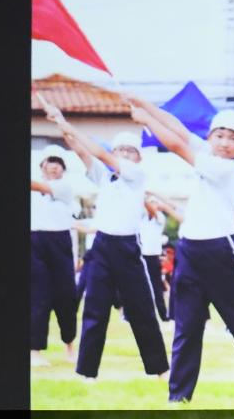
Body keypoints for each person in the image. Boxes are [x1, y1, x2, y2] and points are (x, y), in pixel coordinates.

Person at [128, 102, 234, 408]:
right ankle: (178, 396)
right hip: (189, 250)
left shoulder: (229, 166)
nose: (224, 142)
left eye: (233, 138)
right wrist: (146, 106)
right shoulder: (208, 152)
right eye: (219, 135)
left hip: (219, 250)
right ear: (210, 137)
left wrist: (147, 121)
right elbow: (178, 128)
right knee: (187, 326)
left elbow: (177, 144)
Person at [42, 105, 170, 384]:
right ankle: (87, 372)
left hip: (127, 249)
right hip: (101, 247)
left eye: (129, 151)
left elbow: (99, 153)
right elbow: (81, 150)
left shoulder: (137, 176)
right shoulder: (104, 175)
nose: (124, 154)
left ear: (138, 157)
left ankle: (160, 369)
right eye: (120, 150)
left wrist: (68, 123)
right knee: (94, 311)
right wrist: (61, 123)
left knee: (142, 310)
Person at [30, 136, 86, 365]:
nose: (53, 165)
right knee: (38, 297)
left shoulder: (65, 187)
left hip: (60, 243)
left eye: (58, 162)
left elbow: (41, 187)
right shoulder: (33, 187)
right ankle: (34, 351)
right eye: (49, 161)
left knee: (66, 296)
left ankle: (70, 347)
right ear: (41, 165)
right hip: (34, 242)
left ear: (63, 168)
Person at [141, 194, 176, 323]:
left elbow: (151, 209)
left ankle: (163, 315)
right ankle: (139, 315)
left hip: (153, 257)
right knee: (139, 287)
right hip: (141, 256)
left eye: (154, 202)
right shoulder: (142, 218)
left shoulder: (159, 217)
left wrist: (145, 199)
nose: (152, 205)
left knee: (157, 288)